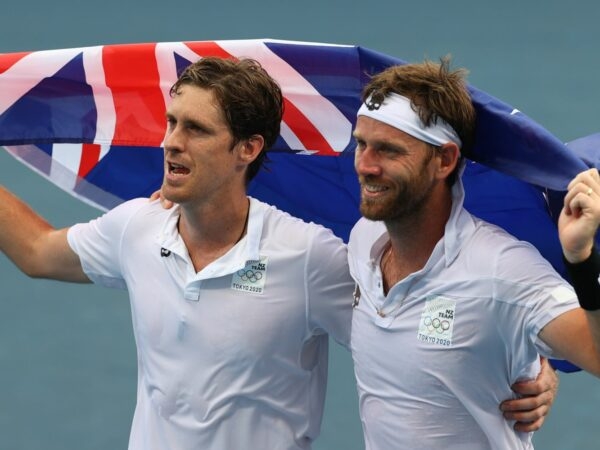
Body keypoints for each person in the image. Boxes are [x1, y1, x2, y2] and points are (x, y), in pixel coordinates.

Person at [0, 56, 557, 449]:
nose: (170, 141)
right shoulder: (137, 229)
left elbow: (411, 320)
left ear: (248, 148)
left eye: (195, 129)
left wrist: (530, 369)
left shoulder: (307, 258)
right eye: (172, 123)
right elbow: (35, 252)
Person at [347, 58, 600, 449]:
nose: (364, 165)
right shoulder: (363, 240)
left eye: (388, 151)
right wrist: (535, 364)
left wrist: (582, 259)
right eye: (361, 144)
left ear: (444, 160)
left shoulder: (502, 270)